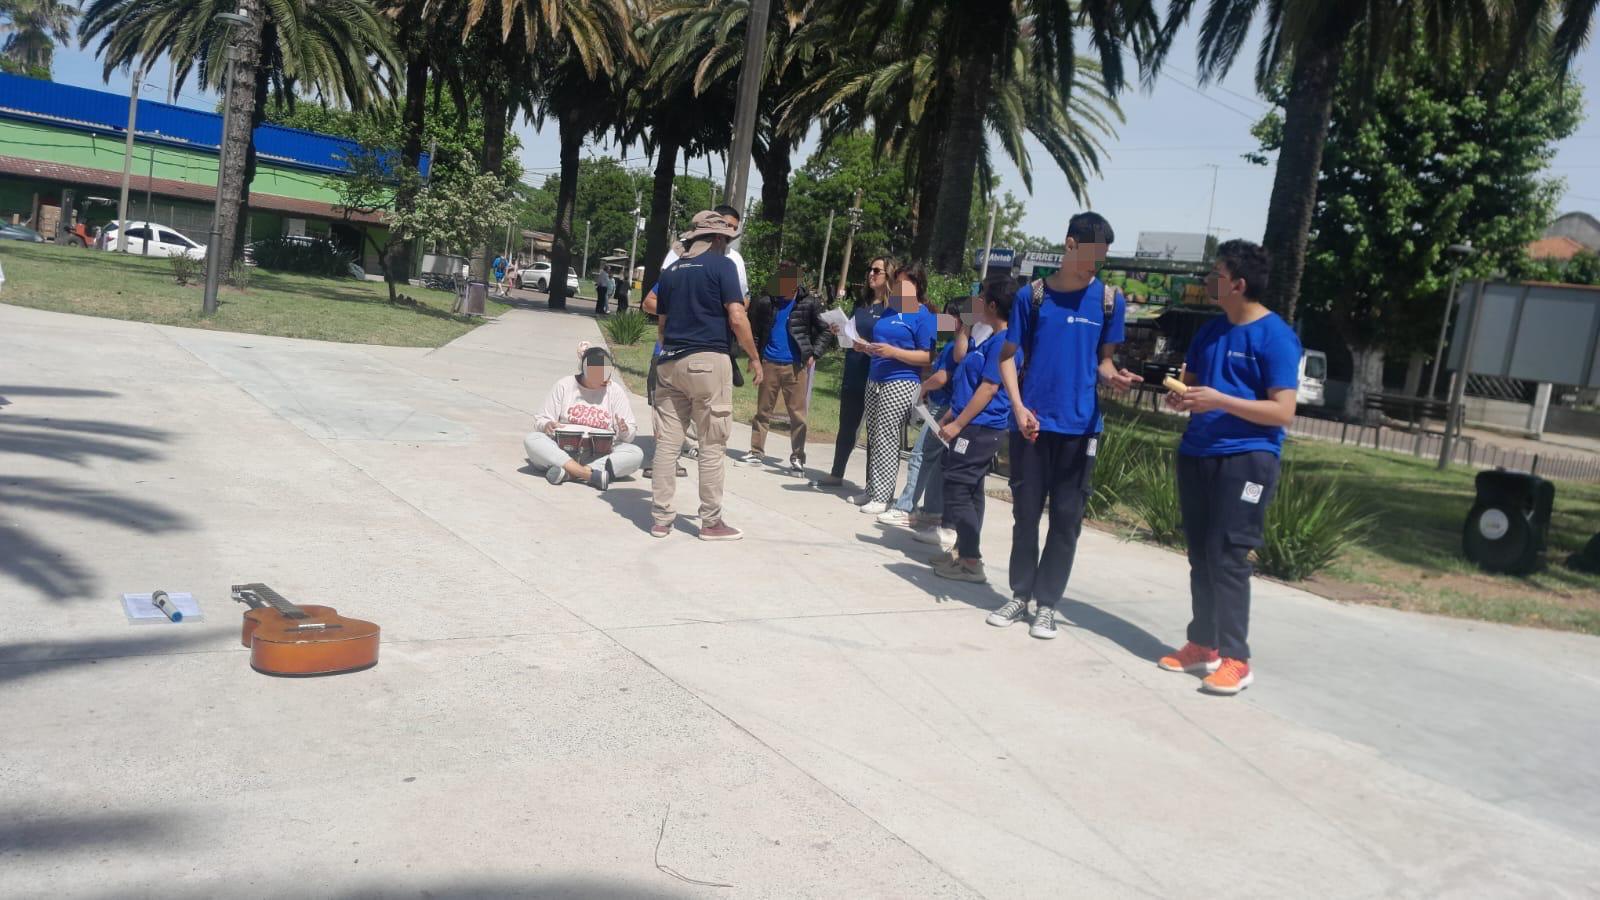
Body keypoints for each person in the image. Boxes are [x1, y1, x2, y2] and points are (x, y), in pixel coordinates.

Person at [1158, 240, 1300, 695]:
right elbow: (1197, 388)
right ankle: (1203, 644)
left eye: (1215, 273)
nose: (1207, 280)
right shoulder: (1211, 332)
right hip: (1198, 452)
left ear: (1237, 283)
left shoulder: (1276, 336)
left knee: (1229, 556)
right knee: (1200, 554)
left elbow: (1282, 412)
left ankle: (1238, 658)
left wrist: (1219, 400)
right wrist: (1183, 397)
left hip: (1248, 460)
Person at [993, 212, 1142, 639]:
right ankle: (1020, 595)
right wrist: (1018, 408)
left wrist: (1114, 377)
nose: (1096, 264)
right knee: (1025, 515)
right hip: (1033, 426)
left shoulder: (1110, 301)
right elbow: (1008, 357)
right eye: (1092, 254)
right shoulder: (1032, 296)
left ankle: (1047, 605)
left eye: (1103, 258)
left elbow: (1104, 362)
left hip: (1081, 429)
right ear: (1070, 245)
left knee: (1065, 520)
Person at [651, 210, 763, 540]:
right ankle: (711, 522)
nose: (725, 245)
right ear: (715, 239)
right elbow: (737, 317)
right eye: (725, 239)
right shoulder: (723, 266)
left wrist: (669, 350)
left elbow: (662, 323)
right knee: (712, 444)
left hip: (670, 362)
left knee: (668, 445)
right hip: (708, 361)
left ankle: (661, 518)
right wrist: (754, 358)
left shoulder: (671, 272)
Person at [929, 275, 1018, 583]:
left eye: (980, 297)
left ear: (992, 305)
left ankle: (970, 560)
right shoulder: (988, 339)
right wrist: (952, 413)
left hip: (981, 428)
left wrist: (959, 424)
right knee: (971, 490)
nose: (975, 303)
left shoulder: (1004, 343)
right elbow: (970, 385)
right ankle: (964, 553)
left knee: (957, 489)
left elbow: (989, 389)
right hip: (971, 422)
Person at [854, 263, 936, 515]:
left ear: (917, 285)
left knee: (887, 436)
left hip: (901, 380)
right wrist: (866, 347)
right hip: (875, 376)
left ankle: (882, 495)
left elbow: (927, 356)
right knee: (874, 434)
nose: (899, 287)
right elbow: (882, 343)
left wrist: (895, 353)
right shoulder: (890, 310)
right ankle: (872, 488)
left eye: (904, 283)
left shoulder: (924, 316)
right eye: (897, 282)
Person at [882, 297, 970, 532]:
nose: (941, 320)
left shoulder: (955, 347)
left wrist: (923, 387)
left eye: (946, 315)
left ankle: (905, 507)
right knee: (936, 461)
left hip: (941, 407)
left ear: (958, 319)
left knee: (920, 455)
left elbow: (943, 377)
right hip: (944, 405)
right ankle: (932, 512)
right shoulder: (956, 344)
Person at [743, 261, 834, 473]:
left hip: (795, 366)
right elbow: (756, 331)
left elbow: (826, 330)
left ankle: (797, 457)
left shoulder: (808, 303)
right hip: (769, 362)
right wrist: (754, 357)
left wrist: (814, 353)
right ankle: (756, 451)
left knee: (797, 415)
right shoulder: (767, 302)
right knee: (762, 411)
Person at [523, 343, 643, 490]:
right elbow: (541, 420)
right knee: (533, 439)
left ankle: (569, 473)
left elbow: (629, 436)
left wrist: (624, 430)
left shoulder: (615, 391)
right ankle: (590, 475)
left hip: (599, 455)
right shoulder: (565, 385)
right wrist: (547, 425)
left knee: (635, 453)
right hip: (562, 452)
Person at [820, 256, 893, 487]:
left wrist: (868, 345)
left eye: (877, 270)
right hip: (853, 370)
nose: (871, 274)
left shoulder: (893, 308)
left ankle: (873, 484)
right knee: (847, 425)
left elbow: (894, 342)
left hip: (876, 374)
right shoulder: (861, 305)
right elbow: (850, 334)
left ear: (888, 275)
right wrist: (839, 330)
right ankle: (836, 472)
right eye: (869, 269)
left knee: (875, 431)